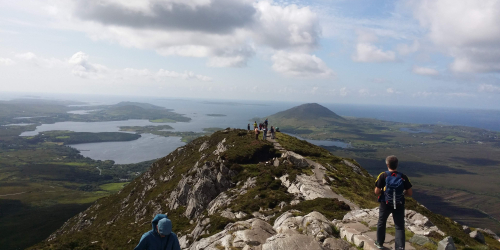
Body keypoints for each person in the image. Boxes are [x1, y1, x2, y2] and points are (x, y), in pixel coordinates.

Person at [374, 156, 412, 250]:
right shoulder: (403, 176)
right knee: (399, 227)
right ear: (397, 165)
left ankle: (379, 243)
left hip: (385, 203)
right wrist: (402, 194)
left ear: (387, 164)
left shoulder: (383, 175)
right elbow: (410, 193)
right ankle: (400, 247)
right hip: (399, 204)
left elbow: (376, 191)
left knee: (382, 222)